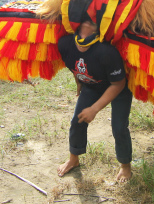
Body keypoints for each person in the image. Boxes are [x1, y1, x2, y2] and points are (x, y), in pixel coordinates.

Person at [56, 20, 133, 182]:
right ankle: (73, 159)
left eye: (91, 24)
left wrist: (95, 108)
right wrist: (79, 81)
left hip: (118, 88)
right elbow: (72, 64)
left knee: (119, 128)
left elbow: (118, 84)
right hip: (92, 86)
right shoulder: (64, 44)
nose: (86, 28)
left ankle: (125, 166)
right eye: (84, 24)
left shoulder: (106, 52)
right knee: (77, 121)